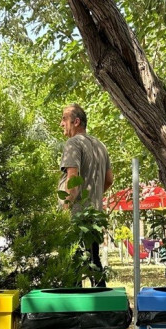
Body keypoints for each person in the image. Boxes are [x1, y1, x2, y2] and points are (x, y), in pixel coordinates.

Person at [58, 104, 113, 286]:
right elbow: (109, 180)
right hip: (94, 217)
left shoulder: (73, 144)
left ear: (76, 121)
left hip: (76, 218)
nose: (61, 124)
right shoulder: (101, 146)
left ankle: (74, 311)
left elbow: (72, 180)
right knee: (93, 263)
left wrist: (66, 212)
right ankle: (104, 308)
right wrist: (93, 197)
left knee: (72, 266)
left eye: (64, 119)